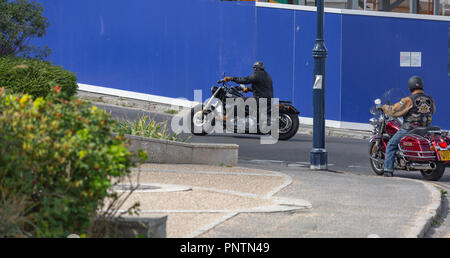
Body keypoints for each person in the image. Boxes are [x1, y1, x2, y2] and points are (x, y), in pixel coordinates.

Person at [381, 75, 435, 177]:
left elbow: (395, 110)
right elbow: (433, 111)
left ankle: (388, 170)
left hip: (409, 129)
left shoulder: (408, 100)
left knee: (391, 145)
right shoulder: (430, 99)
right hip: (425, 129)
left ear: (410, 87)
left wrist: (385, 107)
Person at [221, 61, 274, 127]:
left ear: (256, 68)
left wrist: (231, 78)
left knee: (240, 100)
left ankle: (227, 117)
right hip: (266, 99)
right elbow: (260, 88)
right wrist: (248, 89)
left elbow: (246, 80)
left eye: (254, 68)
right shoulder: (266, 75)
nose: (254, 69)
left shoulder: (258, 74)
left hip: (260, 99)